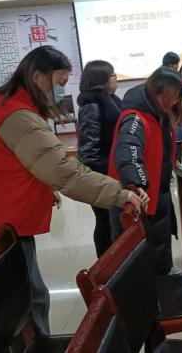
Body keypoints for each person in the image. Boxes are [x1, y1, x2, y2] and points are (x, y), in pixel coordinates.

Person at [0, 46, 145, 337]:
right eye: (59, 82)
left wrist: (40, 187)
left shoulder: (0, 101)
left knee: (20, 291)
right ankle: (34, 344)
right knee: (26, 297)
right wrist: (120, 193)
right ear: (38, 76)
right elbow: (64, 171)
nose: (61, 90)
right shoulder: (19, 117)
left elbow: (6, 158)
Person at [109, 66, 182, 276]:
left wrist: (172, 160)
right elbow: (128, 151)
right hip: (138, 196)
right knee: (137, 251)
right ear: (157, 93)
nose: (175, 101)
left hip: (157, 191)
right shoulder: (135, 118)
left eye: (177, 97)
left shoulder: (157, 112)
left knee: (160, 239)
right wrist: (138, 183)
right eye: (172, 96)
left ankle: (163, 276)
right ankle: (150, 285)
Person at [77, 60, 123, 258]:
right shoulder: (92, 106)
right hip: (101, 176)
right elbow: (89, 151)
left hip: (111, 172)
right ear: (102, 80)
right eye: (113, 76)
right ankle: (106, 264)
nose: (115, 79)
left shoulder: (110, 100)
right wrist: (105, 179)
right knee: (105, 221)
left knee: (113, 221)